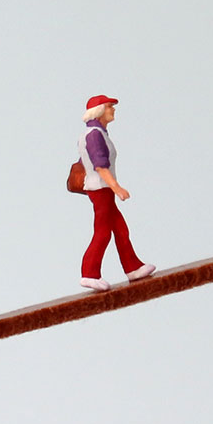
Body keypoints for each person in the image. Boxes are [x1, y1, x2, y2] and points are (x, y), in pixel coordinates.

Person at [78, 96, 155, 291]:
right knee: (103, 232)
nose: (113, 110)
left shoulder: (99, 133)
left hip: (103, 188)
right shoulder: (94, 135)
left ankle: (133, 268)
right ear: (99, 111)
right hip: (101, 189)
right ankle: (89, 274)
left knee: (120, 228)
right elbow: (100, 166)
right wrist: (116, 187)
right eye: (109, 107)